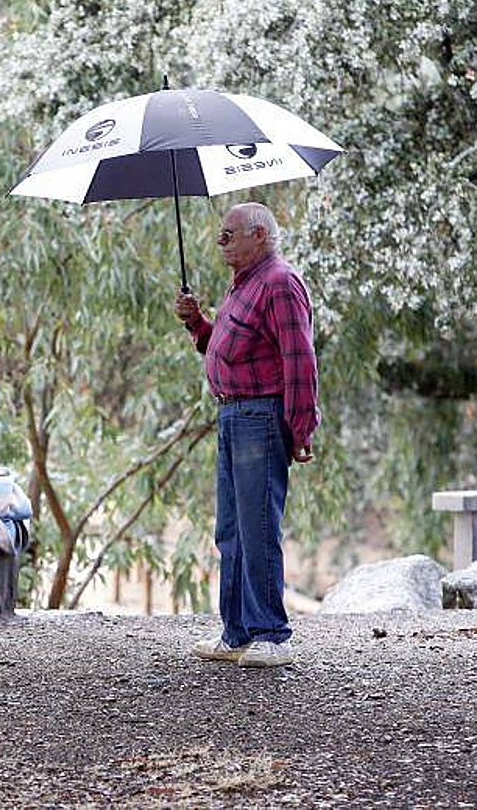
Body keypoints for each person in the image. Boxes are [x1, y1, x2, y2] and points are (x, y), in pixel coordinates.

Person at [174, 201, 319, 669]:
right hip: (232, 416)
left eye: (228, 234)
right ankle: (236, 633)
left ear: (260, 235)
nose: (221, 242)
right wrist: (197, 322)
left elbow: (300, 360)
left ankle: (272, 634)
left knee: (257, 527)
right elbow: (228, 347)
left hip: (260, 417)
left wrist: (301, 426)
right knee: (232, 530)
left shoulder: (279, 283)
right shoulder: (244, 285)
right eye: (221, 234)